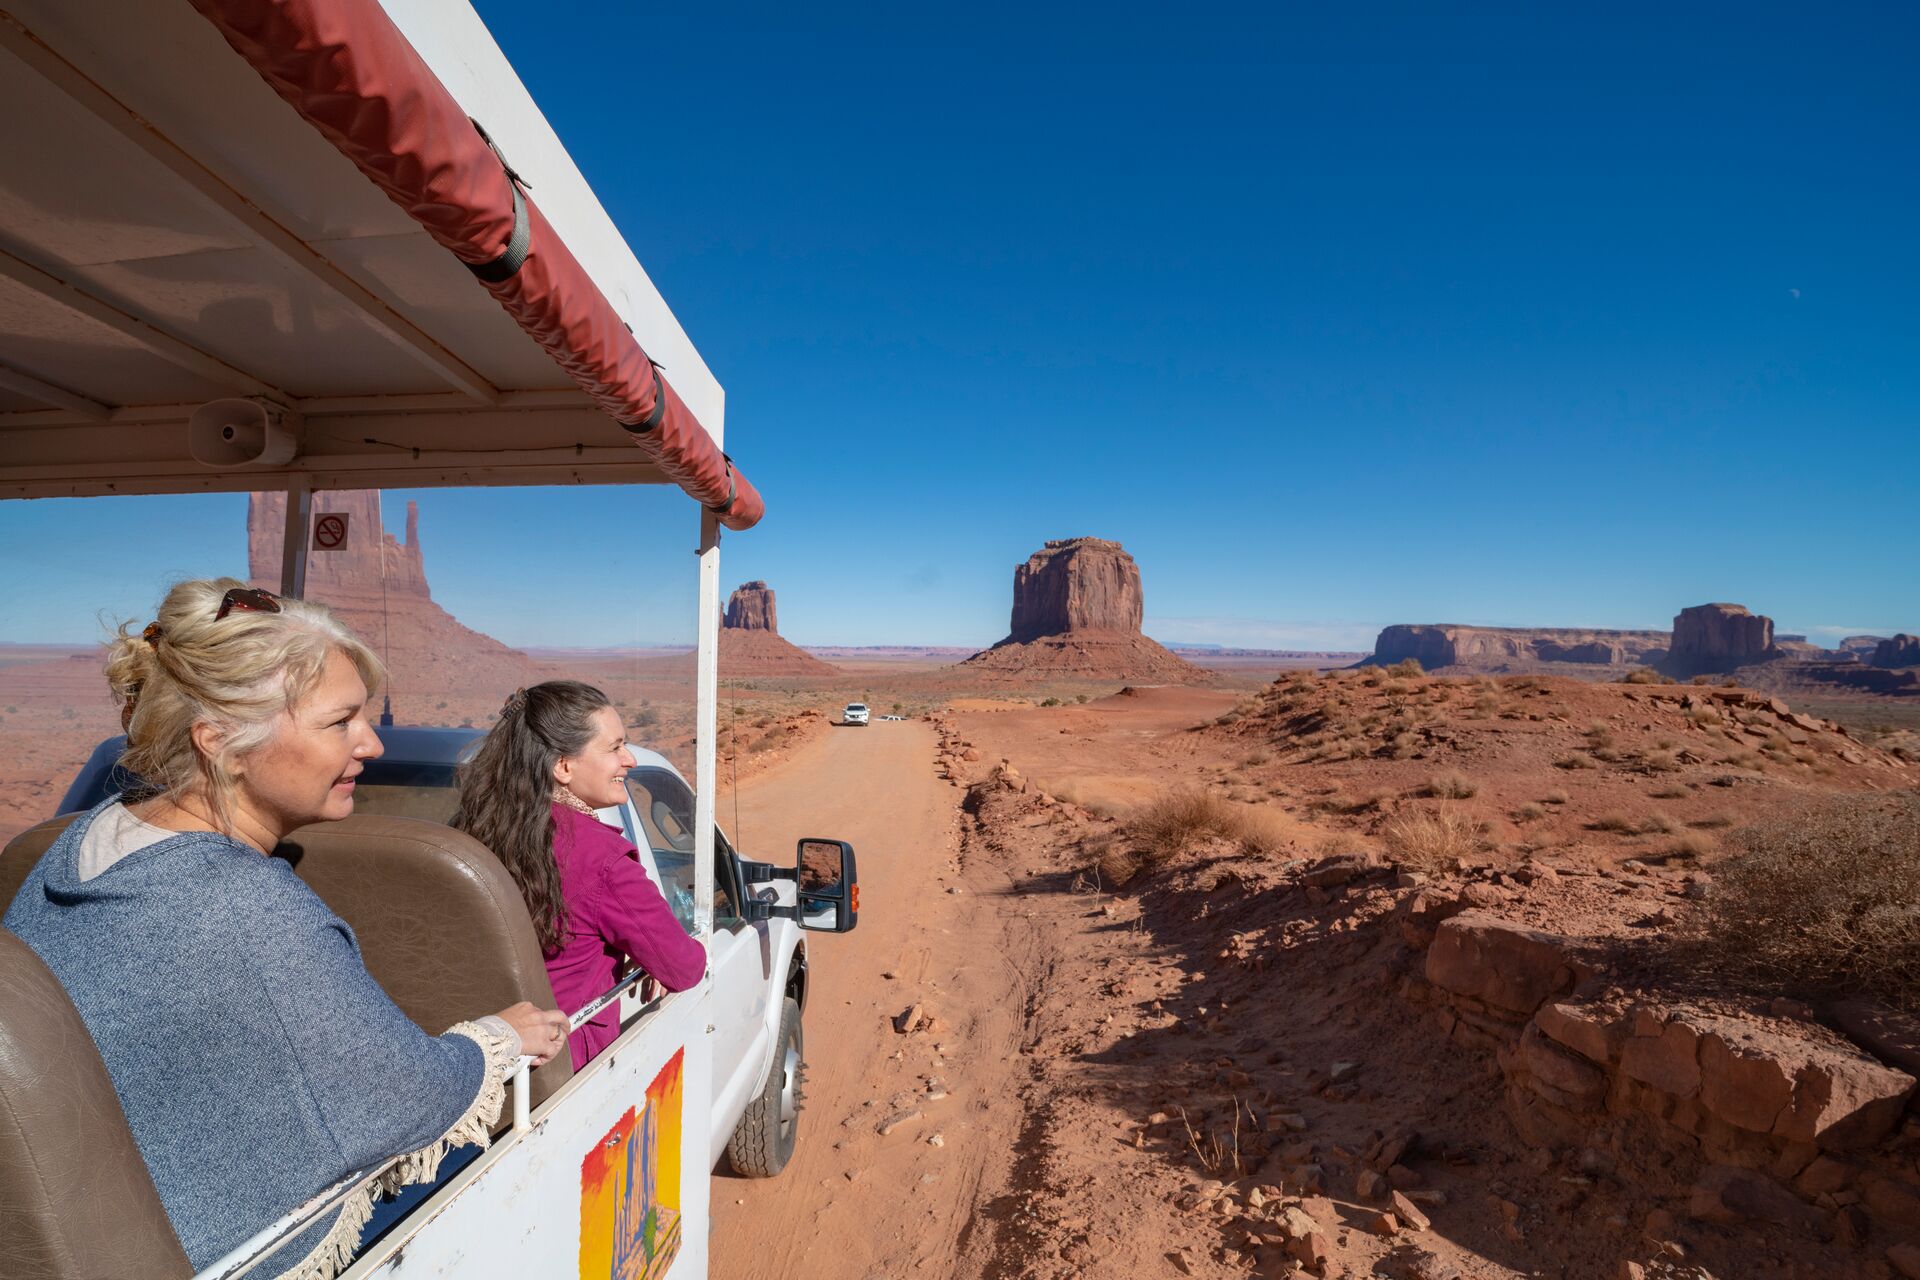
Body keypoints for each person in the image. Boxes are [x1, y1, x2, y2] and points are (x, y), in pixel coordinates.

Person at [3, 579, 569, 1279]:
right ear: (223, 744)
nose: (372, 745)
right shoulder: (245, 910)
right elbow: (406, 1095)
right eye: (340, 723)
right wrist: (496, 1039)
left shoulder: (70, 846)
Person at [452, 680, 706, 1066]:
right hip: (566, 1066)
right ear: (563, 766)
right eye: (615, 748)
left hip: (483, 1052)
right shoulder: (602, 859)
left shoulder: (475, 829)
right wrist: (651, 952)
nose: (630, 760)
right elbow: (684, 967)